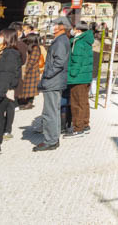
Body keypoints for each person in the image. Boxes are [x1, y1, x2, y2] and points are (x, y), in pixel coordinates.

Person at [35, 16, 71, 152]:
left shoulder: (61, 41)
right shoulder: (61, 40)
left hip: (53, 81)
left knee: (49, 112)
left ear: (61, 27)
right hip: (55, 80)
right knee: (53, 111)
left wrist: (47, 74)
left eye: (55, 24)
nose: (53, 26)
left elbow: (59, 62)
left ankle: (50, 140)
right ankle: (53, 139)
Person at [64, 21, 94, 137]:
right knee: (84, 102)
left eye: (74, 28)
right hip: (85, 76)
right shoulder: (87, 41)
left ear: (78, 30)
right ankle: (85, 124)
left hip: (78, 77)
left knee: (76, 104)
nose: (72, 30)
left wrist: (72, 74)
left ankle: (78, 128)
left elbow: (77, 60)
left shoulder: (78, 42)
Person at [15, 34, 44, 110]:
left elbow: (32, 61)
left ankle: (30, 103)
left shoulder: (35, 48)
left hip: (32, 71)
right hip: (28, 70)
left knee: (31, 88)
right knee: (26, 87)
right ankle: (25, 101)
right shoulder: (29, 47)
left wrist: (26, 70)